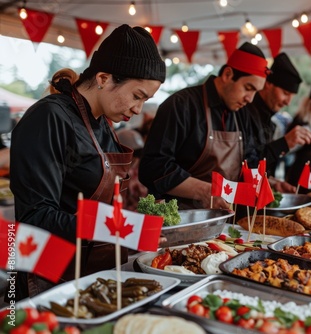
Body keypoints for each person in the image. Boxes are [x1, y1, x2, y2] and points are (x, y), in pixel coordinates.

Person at [9, 24, 166, 300]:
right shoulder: (48, 119)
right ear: (104, 78)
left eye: (146, 100)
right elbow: (36, 216)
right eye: (137, 96)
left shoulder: (104, 123)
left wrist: (135, 222)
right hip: (50, 277)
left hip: (93, 275)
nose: (139, 109)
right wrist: (118, 229)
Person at [139, 42, 267, 210]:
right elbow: (153, 167)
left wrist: (267, 183)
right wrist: (204, 191)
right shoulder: (181, 105)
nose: (250, 98)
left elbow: (250, 161)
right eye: (248, 88)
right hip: (180, 218)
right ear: (228, 74)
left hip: (226, 220)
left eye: (255, 92)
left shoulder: (243, 114)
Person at [244, 52, 311, 192]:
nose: (288, 102)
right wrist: (285, 143)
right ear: (268, 84)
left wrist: (273, 182)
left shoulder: (269, 121)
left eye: (291, 96)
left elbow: (258, 168)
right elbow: (246, 164)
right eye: (285, 93)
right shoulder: (243, 113)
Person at [116, 128, 147, 211]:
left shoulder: (140, 167)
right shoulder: (116, 174)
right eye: (132, 154)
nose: (135, 158)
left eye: (137, 153)